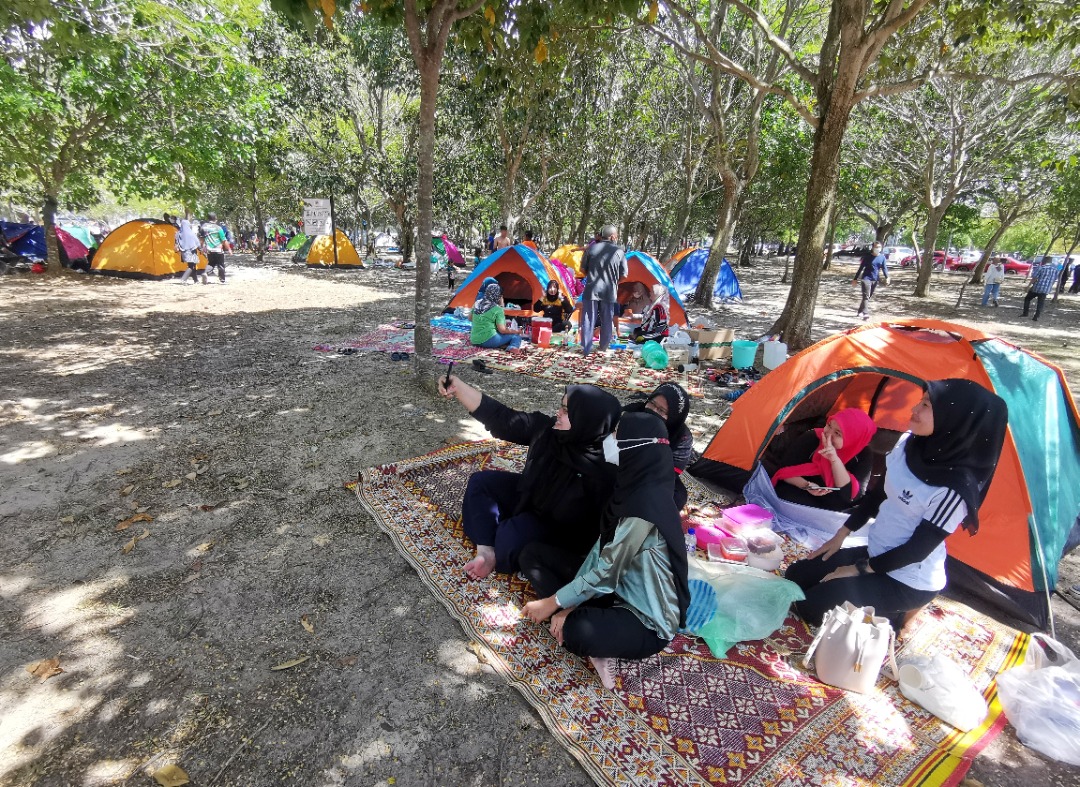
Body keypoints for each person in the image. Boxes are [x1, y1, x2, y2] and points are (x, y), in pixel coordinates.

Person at [784, 379, 1007, 630]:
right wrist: (840, 536)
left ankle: (896, 618)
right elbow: (877, 496)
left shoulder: (954, 489)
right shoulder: (908, 445)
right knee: (795, 577)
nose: (914, 410)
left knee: (810, 607)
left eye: (925, 405)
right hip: (878, 553)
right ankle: (864, 598)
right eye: (920, 401)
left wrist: (857, 569)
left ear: (954, 420)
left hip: (907, 578)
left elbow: (915, 551)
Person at [520, 412, 690, 690]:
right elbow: (602, 550)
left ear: (635, 446)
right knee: (533, 556)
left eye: (617, 435)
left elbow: (607, 572)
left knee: (577, 631)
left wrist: (554, 603)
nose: (610, 440)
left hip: (644, 619)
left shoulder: (643, 510)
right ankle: (576, 611)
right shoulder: (634, 485)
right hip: (617, 587)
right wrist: (566, 602)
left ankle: (597, 640)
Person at [438, 376, 622, 579]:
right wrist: (458, 387)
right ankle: (486, 550)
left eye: (567, 411)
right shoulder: (548, 431)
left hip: (560, 529)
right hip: (532, 497)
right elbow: (502, 419)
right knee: (481, 483)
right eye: (561, 407)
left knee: (509, 536)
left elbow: (603, 528)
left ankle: (498, 545)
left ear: (588, 420)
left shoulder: (604, 469)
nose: (558, 413)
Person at [770, 409, 877, 512]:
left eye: (837, 433)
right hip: (802, 494)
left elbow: (851, 495)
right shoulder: (812, 437)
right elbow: (784, 472)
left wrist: (834, 460)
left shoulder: (863, 454)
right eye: (829, 425)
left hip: (834, 507)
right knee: (785, 495)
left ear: (853, 439)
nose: (828, 434)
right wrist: (807, 485)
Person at [623, 383, 692, 510]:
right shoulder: (631, 412)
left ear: (673, 417)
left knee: (677, 496)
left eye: (661, 410)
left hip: (654, 475)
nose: (653, 411)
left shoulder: (681, 436)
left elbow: (671, 472)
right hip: (620, 465)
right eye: (652, 403)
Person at [579, 224, 627, 355]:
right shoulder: (619, 252)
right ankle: (603, 347)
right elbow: (624, 275)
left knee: (588, 318)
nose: (617, 238)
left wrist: (592, 276)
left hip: (591, 289)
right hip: (609, 291)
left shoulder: (590, 249)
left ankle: (586, 348)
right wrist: (614, 282)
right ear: (612, 237)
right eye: (616, 236)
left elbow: (582, 270)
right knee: (607, 319)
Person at [469, 281, 521, 350]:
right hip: (489, 340)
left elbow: (470, 318)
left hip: (474, 340)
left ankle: (502, 345)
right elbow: (502, 330)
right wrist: (516, 331)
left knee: (500, 336)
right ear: (498, 296)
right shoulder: (497, 309)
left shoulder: (477, 303)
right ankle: (513, 347)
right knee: (515, 337)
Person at [852, 242, 889, 320]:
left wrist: (887, 277)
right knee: (866, 296)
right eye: (876, 247)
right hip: (866, 278)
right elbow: (861, 268)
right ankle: (866, 313)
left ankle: (860, 311)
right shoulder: (867, 257)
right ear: (872, 248)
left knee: (868, 297)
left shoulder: (882, 257)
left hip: (875, 279)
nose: (878, 249)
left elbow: (884, 268)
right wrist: (855, 278)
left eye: (879, 247)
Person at [1021, 255, 1058, 321]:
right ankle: (1036, 316)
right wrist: (1050, 287)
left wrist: (1028, 286)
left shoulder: (1041, 268)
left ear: (1045, 260)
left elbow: (1034, 278)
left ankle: (1025, 313)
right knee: (1041, 302)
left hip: (1037, 287)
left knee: (1027, 298)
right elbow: (1054, 280)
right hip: (1046, 289)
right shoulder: (1055, 270)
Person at [199, 213, 228, 283]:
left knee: (211, 263)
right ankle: (222, 279)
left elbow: (201, 240)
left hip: (209, 249)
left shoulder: (203, 227)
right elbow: (224, 240)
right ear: (215, 218)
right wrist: (229, 249)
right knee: (220, 264)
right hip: (218, 249)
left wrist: (201, 248)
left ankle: (205, 272)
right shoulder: (218, 228)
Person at [176, 219, 204, 284]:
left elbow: (177, 243)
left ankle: (196, 280)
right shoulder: (191, 233)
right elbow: (197, 242)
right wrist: (200, 249)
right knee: (191, 266)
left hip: (183, 252)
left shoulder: (178, 233)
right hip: (192, 251)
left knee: (192, 265)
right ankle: (183, 279)